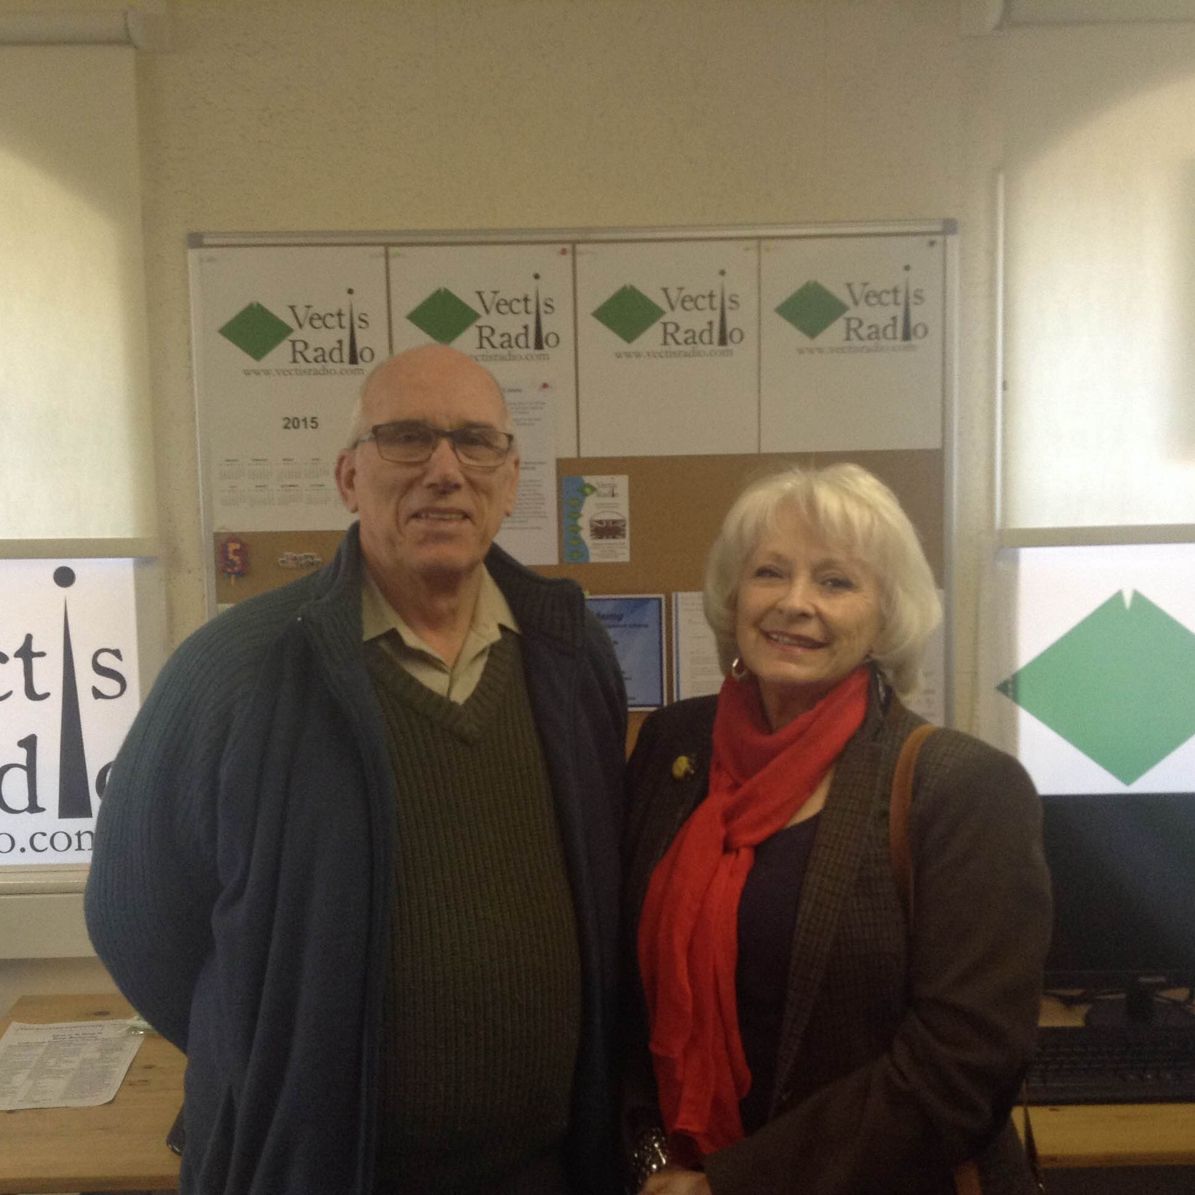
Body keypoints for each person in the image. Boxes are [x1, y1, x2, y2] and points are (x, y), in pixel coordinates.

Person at [85, 344, 628, 1195]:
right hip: (315, 1174)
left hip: (546, 1172)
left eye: (475, 441)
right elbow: (135, 917)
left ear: (509, 478)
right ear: (348, 477)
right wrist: (266, 1056)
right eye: (407, 437)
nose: (444, 469)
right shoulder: (236, 669)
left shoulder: (570, 653)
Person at [621, 463, 1051, 1195]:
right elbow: (624, 992)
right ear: (734, 595)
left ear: (885, 618)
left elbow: (962, 1066)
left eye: (835, 581)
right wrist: (653, 1158)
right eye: (769, 572)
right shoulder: (673, 748)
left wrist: (730, 1184)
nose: (794, 603)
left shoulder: (960, 787)